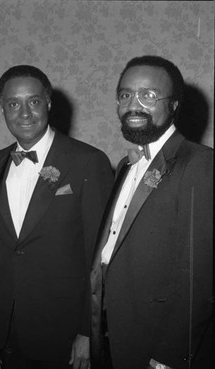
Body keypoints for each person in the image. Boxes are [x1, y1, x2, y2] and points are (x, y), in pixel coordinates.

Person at [0, 65, 114, 369]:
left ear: (49, 103)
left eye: (34, 101)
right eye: (14, 103)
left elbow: (101, 257)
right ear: (2, 107)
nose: (25, 113)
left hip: (64, 332)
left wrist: (87, 330)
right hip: (8, 329)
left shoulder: (87, 161)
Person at [90, 55, 213, 369]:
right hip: (113, 331)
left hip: (159, 345)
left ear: (173, 106)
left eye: (148, 96)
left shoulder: (200, 164)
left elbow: (201, 276)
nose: (134, 105)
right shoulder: (125, 165)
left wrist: (170, 355)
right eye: (126, 95)